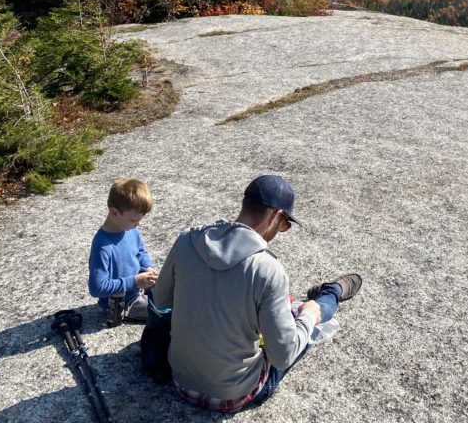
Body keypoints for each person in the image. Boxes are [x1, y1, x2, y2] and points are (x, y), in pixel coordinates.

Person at [151, 174, 362, 412]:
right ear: (276, 216)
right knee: (307, 317)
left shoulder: (188, 240)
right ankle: (331, 294)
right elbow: (283, 355)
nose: (282, 230)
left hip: (181, 380)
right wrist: (308, 316)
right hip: (234, 394)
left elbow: (160, 299)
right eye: (285, 224)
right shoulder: (268, 270)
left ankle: (320, 298)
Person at [88, 178, 159, 325]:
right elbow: (97, 287)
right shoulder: (102, 246)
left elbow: (140, 252)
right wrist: (134, 281)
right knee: (172, 311)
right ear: (114, 212)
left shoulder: (130, 229)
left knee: (179, 291)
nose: (138, 224)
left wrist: (148, 268)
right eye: (134, 220)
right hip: (124, 303)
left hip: (139, 288)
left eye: (140, 219)